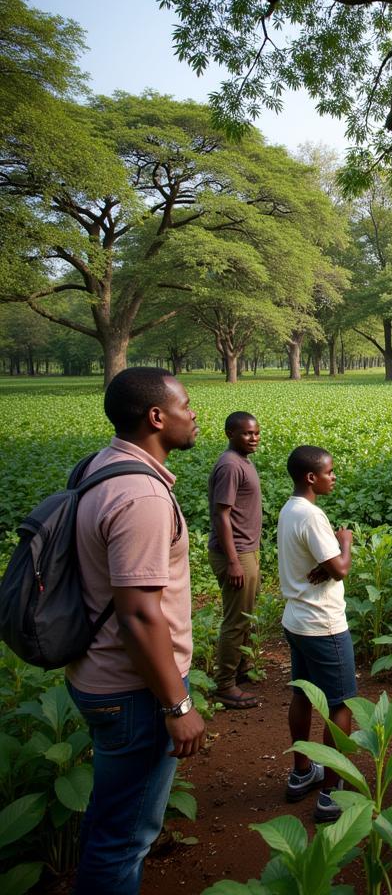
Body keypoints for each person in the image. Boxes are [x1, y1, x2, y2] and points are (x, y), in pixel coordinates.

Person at [67, 367, 204, 895]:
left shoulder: (97, 467)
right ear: (155, 417)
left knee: (111, 821)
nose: (193, 415)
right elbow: (140, 614)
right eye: (185, 405)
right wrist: (177, 706)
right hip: (135, 691)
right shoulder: (142, 497)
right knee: (125, 839)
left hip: (97, 672)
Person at [277, 445, 356, 823]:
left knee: (303, 694)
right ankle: (331, 792)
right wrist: (345, 541)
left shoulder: (289, 509)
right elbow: (340, 568)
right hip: (323, 624)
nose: (333, 476)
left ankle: (302, 770)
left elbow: (314, 564)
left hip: (296, 620)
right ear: (312, 478)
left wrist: (324, 566)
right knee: (340, 704)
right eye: (329, 471)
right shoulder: (312, 516)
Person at [208, 411, 263, 709]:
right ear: (230, 434)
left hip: (246, 550)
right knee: (236, 619)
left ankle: (240, 669)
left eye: (256, 433)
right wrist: (233, 561)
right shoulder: (230, 465)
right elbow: (221, 513)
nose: (253, 438)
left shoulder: (243, 461)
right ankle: (225, 685)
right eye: (246, 433)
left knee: (247, 614)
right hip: (235, 552)